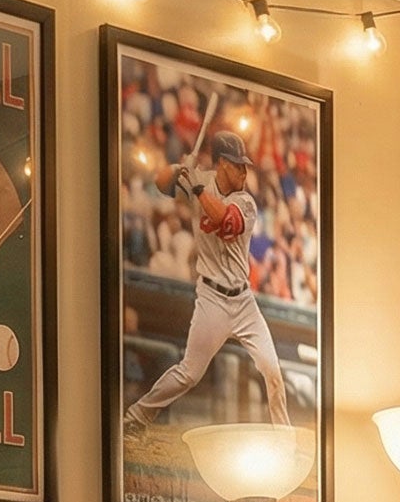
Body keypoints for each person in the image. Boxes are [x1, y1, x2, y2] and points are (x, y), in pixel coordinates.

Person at [123, 130, 289, 434]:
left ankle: (285, 438)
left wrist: (196, 188)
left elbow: (226, 220)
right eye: (238, 165)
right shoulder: (199, 179)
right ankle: (136, 417)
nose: (244, 172)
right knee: (189, 373)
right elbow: (160, 183)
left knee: (272, 370)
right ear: (223, 163)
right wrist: (178, 169)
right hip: (212, 299)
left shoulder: (245, 201)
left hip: (243, 301)